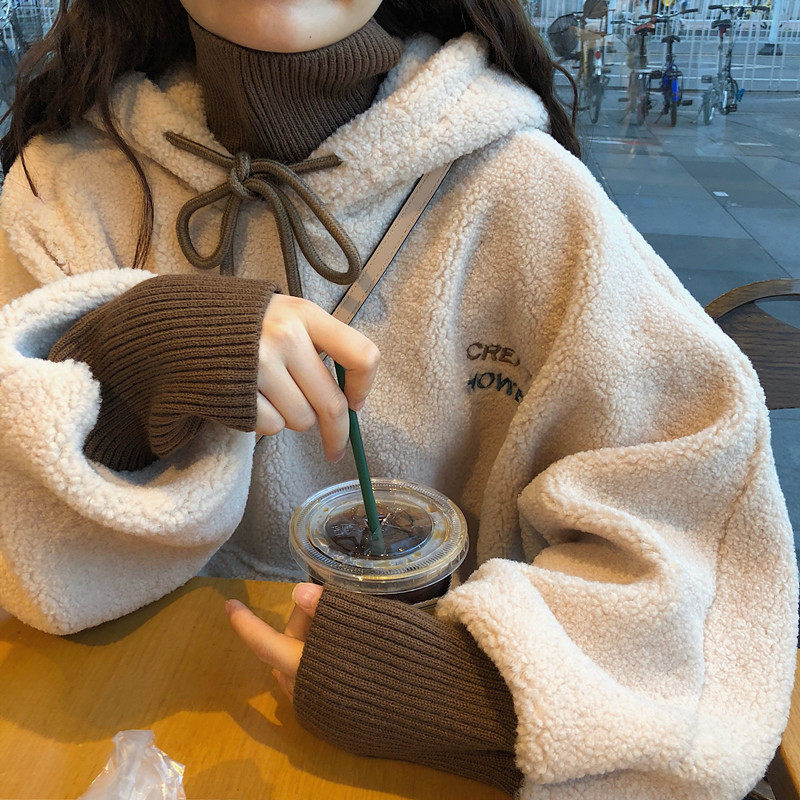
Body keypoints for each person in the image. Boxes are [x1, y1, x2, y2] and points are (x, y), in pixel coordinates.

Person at [0, 1, 796, 797]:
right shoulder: (62, 189)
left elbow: (702, 531)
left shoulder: (529, 191)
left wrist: (472, 697)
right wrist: (127, 360)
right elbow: (17, 546)